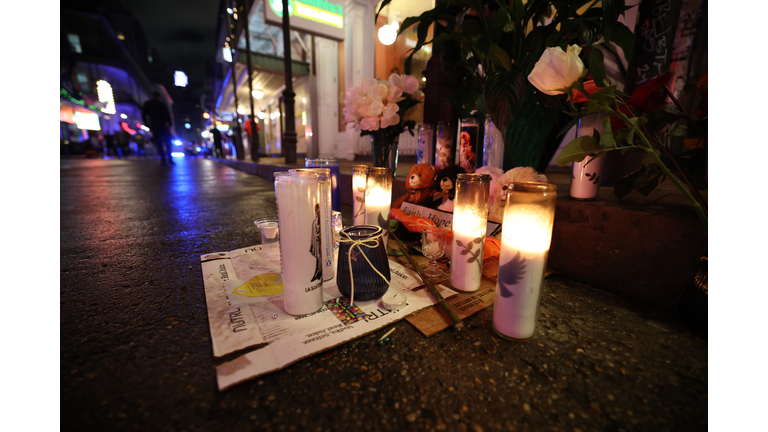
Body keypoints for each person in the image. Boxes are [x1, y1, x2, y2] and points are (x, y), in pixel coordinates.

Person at [142, 92, 174, 165]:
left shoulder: (148, 104)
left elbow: (144, 115)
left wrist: (148, 125)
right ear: (158, 97)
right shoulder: (161, 104)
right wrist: (169, 124)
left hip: (154, 125)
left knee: (159, 143)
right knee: (168, 142)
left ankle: (163, 159)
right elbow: (167, 115)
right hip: (163, 126)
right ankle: (169, 158)